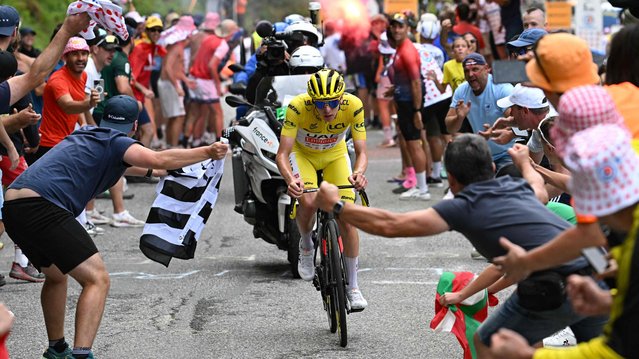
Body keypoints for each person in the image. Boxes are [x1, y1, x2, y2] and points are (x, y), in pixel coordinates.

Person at [313, 133, 606, 357]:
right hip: (598, 269)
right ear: (491, 167)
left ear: (451, 180)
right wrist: (525, 164)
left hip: (556, 284)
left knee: (487, 342)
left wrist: (337, 206)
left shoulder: (462, 207)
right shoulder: (513, 186)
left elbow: (392, 225)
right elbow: (538, 189)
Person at [2, 95, 229, 359]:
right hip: (43, 206)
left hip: (15, 205)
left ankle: (57, 348)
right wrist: (207, 152)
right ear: (134, 126)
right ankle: (81, 354)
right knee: (97, 279)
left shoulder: (88, 134)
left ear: (102, 118)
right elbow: (158, 159)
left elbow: (129, 165)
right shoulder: (118, 141)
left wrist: (150, 173)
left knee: (56, 276)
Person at [489, 124, 639, 359]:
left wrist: (530, 355)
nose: (589, 212)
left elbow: (615, 351)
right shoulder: (627, 180)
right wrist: (608, 300)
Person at [275, 69, 369, 310]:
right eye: (320, 103)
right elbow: (283, 154)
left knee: (347, 215)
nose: (327, 109)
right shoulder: (297, 107)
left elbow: (361, 152)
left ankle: (354, 287)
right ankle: (306, 244)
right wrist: (290, 180)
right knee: (307, 201)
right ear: (311, 100)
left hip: (334, 155)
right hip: (302, 154)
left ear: (341, 98)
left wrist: (358, 173)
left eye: (332, 103)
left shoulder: (354, 104)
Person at [388, 12, 431, 200]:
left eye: (401, 26)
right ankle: (419, 186)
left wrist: (416, 110)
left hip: (410, 105)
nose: (397, 29)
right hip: (404, 102)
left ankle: (422, 189)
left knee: (414, 145)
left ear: (407, 28)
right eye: (394, 26)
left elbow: (415, 82)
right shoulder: (400, 48)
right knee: (411, 143)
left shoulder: (407, 50)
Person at [445, 53, 515, 170]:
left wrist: (492, 133)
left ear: (487, 69)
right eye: (466, 71)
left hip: (508, 153)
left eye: (475, 69)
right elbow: (450, 128)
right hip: (483, 155)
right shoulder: (461, 91)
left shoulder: (502, 88)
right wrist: (459, 117)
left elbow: (517, 123)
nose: (470, 74)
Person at [157, 16, 196, 148]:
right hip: (169, 84)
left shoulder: (177, 46)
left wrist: (186, 80)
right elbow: (168, 67)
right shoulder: (177, 47)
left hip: (169, 83)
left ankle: (169, 145)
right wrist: (176, 86)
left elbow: (175, 69)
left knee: (174, 116)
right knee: (179, 116)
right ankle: (173, 147)